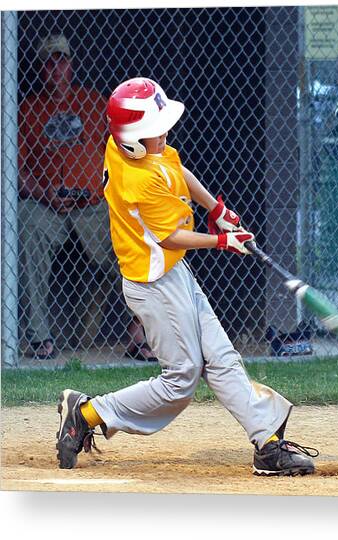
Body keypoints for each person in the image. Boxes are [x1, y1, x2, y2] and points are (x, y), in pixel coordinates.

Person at [55, 77, 318, 476]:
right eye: (154, 130)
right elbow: (170, 236)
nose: (164, 134)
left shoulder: (133, 146)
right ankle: (88, 413)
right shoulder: (137, 179)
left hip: (173, 273)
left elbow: (176, 168)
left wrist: (216, 208)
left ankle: (266, 443)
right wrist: (221, 240)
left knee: (221, 356)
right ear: (134, 139)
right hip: (153, 285)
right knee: (181, 380)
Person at [18, 34, 155, 361]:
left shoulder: (94, 103)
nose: (56, 67)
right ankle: (39, 338)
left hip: (94, 205)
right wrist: (44, 193)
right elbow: (17, 171)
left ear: (71, 64)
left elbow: (123, 153)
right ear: (40, 69)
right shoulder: (27, 109)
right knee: (24, 223)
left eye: (61, 60)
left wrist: (117, 193)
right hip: (47, 205)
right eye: (48, 62)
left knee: (138, 234)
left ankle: (140, 334)